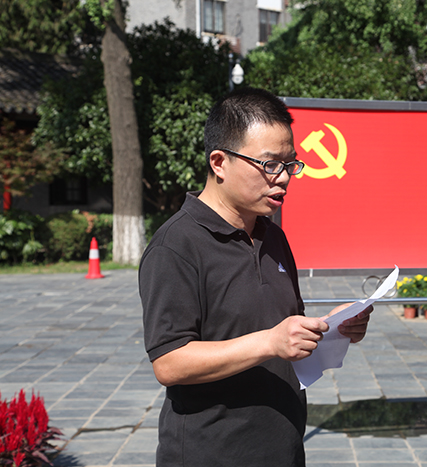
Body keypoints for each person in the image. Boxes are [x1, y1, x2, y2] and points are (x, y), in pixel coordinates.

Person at [139, 87, 372, 466]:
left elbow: (282, 330)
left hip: (283, 448)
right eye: (270, 164)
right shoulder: (176, 246)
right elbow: (169, 361)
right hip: (211, 454)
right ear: (219, 162)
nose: (283, 178)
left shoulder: (272, 236)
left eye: (290, 164)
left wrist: (333, 328)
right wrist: (269, 342)